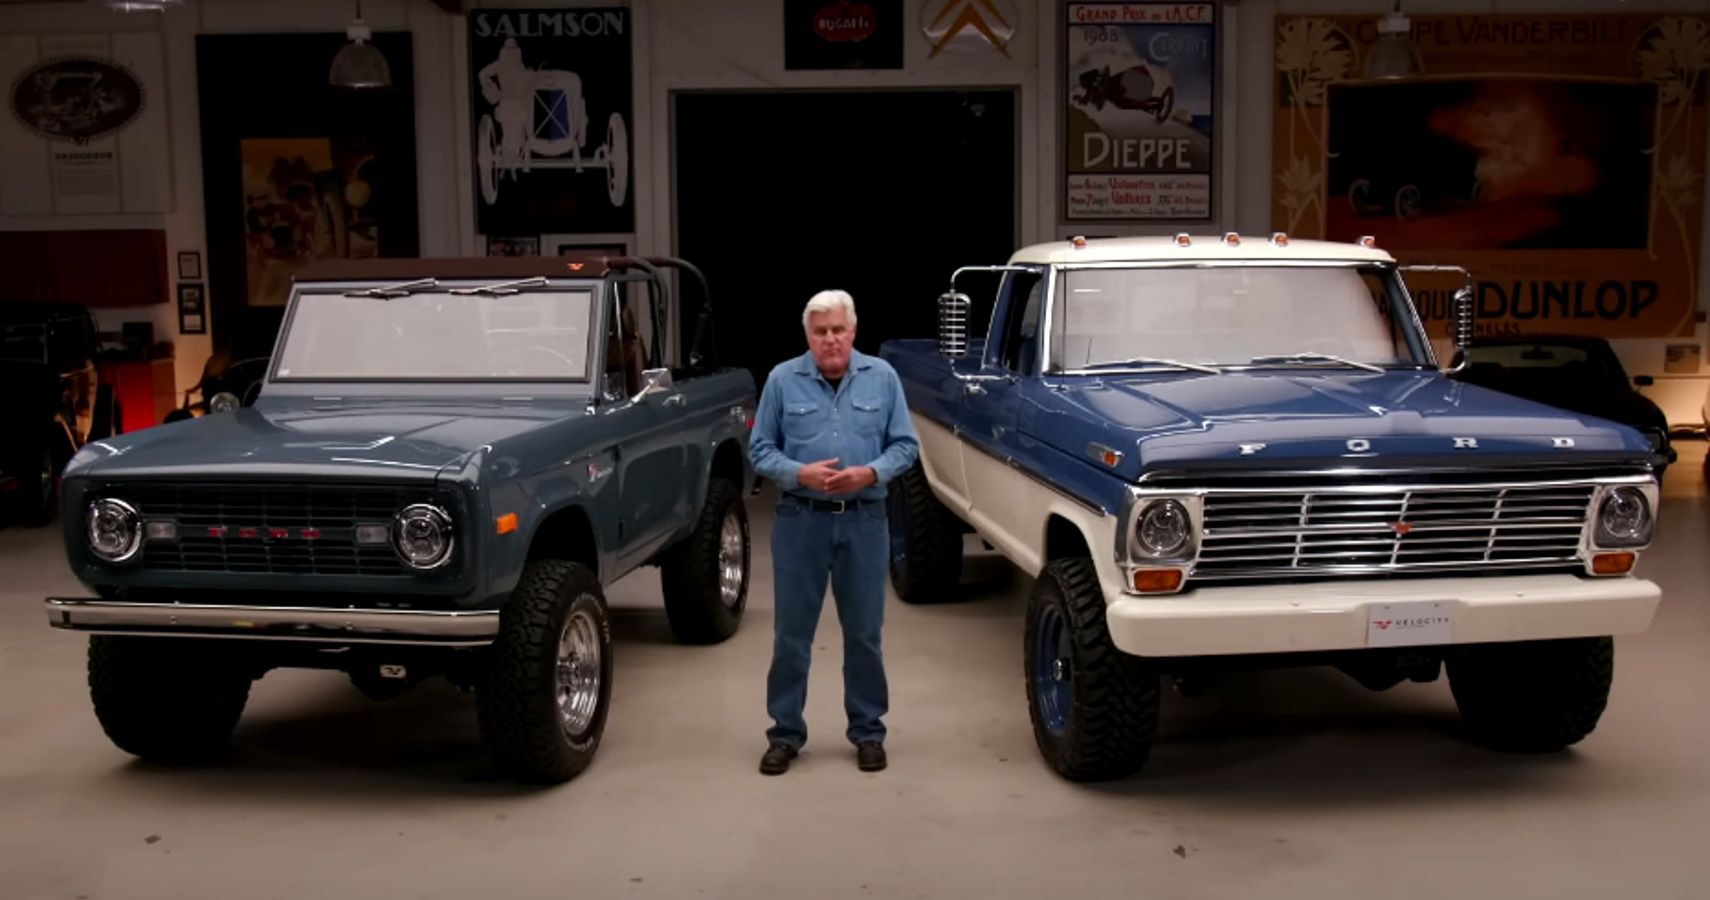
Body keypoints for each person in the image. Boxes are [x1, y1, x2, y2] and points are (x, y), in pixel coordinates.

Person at [749, 289, 920, 776]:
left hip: (864, 521)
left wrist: (870, 473)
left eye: (837, 330)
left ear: (853, 331)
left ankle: (868, 732)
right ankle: (785, 734)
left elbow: (905, 446)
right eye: (820, 331)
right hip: (800, 521)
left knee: (864, 634)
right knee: (791, 636)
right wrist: (798, 473)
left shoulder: (882, 378)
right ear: (807, 335)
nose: (830, 340)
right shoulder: (782, 380)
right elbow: (760, 450)